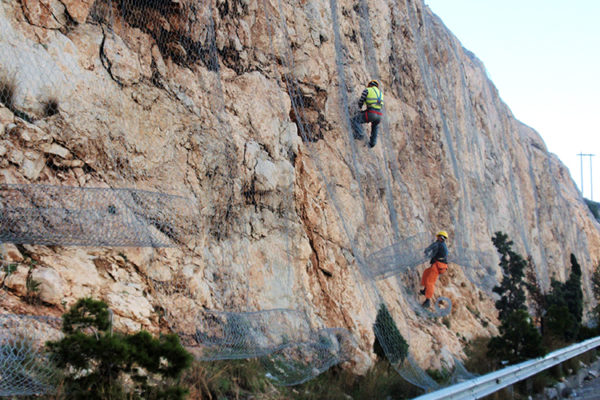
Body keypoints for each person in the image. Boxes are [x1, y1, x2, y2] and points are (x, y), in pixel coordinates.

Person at [419, 231, 449, 308]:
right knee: (426, 273)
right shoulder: (443, 245)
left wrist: (426, 251)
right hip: (440, 265)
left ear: (441, 237)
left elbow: (430, 249)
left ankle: (427, 300)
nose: (438, 238)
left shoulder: (439, 244)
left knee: (430, 282)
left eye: (439, 237)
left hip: (438, 266)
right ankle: (425, 290)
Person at [351, 79, 384, 148]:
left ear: (370, 85)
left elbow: (361, 100)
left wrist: (359, 107)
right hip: (379, 115)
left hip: (371, 113)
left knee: (355, 120)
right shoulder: (380, 93)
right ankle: (372, 143)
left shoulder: (368, 90)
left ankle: (360, 134)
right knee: (375, 126)